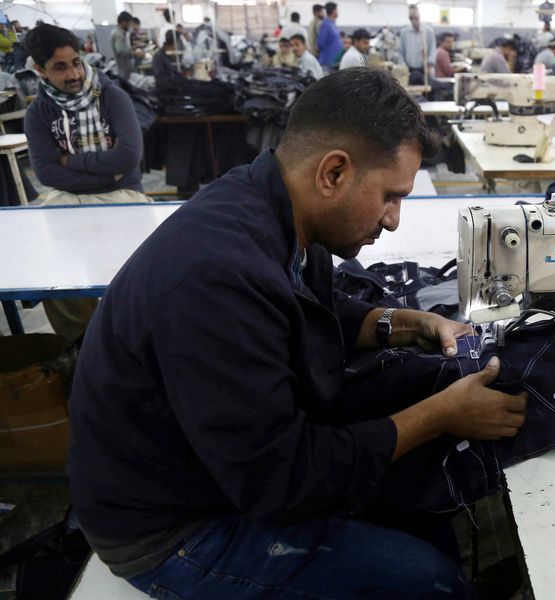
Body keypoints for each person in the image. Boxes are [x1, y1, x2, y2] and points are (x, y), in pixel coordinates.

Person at [67, 67, 526, 598]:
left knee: (419, 494)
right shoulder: (218, 280)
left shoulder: (271, 206)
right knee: (432, 583)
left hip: (219, 469)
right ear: (334, 172)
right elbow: (281, 480)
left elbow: (308, 308)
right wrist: (443, 414)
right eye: (389, 196)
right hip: (171, 528)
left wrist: (403, 323)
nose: (394, 220)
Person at [23, 24, 148, 341]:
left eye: (76, 62)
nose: (74, 74)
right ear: (40, 70)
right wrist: (106, 172)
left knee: (143, 265)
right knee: (53, 267)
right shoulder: (38, 112)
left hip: (123, 193)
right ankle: (81, 342)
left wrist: (69, 161)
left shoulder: (112, 97)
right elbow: (46, 173)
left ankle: (135, 337)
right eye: (60, 67)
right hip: (71, 197)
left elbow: (129, 157)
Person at [399, 6, 436, 85]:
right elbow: (401, 52)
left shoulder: (428, 31)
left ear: (420, 16)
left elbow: (433, 50)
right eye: (411, 18)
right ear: (409, 18)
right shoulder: (404, 32)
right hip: (409, 69)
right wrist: (403, 67)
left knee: (428, 87)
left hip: (425, 69)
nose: (414, 21)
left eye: (416, 18)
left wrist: (429, 64)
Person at [111, 11, 141, 81]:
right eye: (129, 23)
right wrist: (134, 53)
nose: (130, 26)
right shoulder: (118, 34)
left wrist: (132, 48)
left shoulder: (119, 32)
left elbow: (122, 48)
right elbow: (120, 51)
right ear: (123, 22)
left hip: (125, 67)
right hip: (124, 69)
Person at [317, 2, 342, 68]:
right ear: (333, 11)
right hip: (328, 61)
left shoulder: (332, 24)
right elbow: (320, 43)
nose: (337, 12)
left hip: (334, 61)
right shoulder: (326, 24)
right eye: (336, 10)